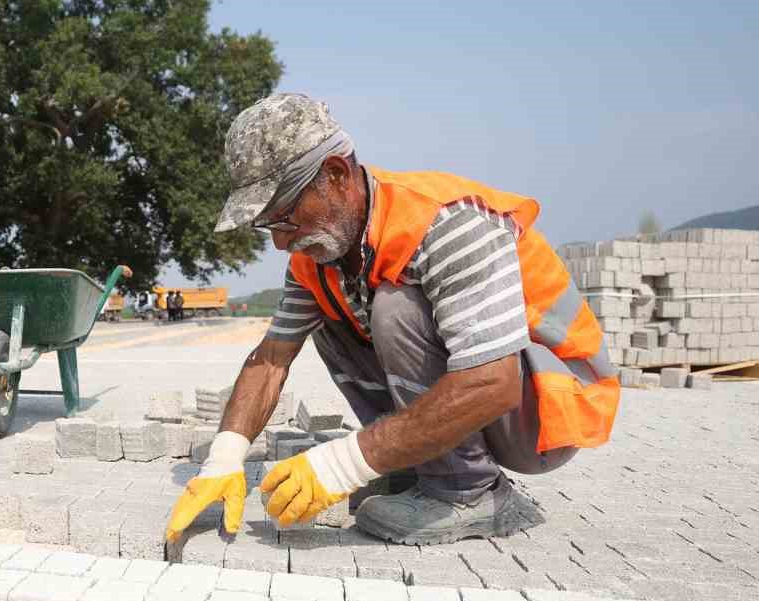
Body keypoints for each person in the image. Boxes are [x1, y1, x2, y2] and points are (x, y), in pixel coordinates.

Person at [165, 93, 620, 546]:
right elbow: (270, 361)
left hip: (542, 412)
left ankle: (469, 491)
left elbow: (493, 381)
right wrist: (223, 459)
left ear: (337, 175)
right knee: (327, 319)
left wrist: (345, 463)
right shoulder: (317, 259)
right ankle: (420, 467)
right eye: (269, 226)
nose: (282, 244)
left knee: (395, 307)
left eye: (285, 217)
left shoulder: (445, 222)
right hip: (490, 397)